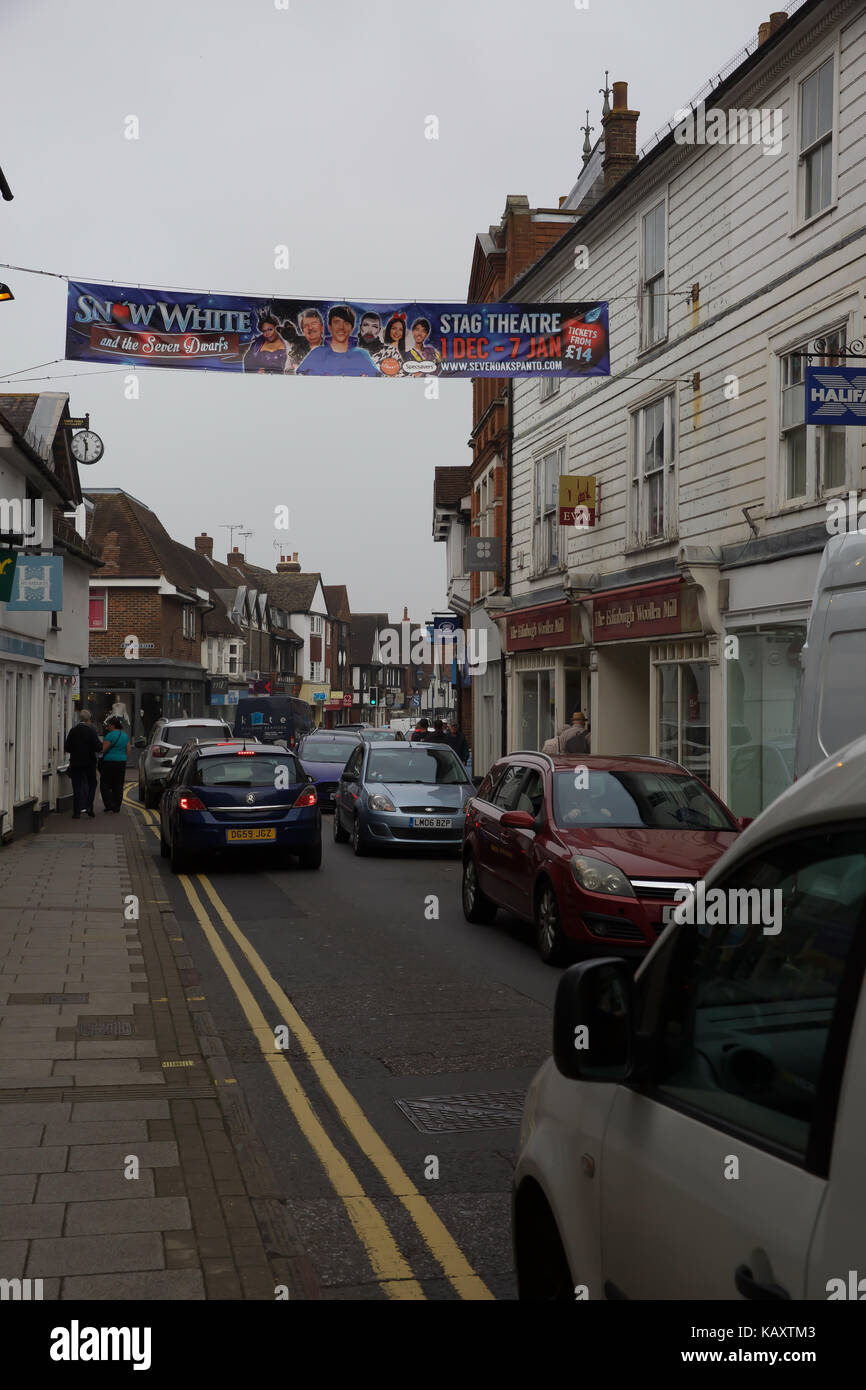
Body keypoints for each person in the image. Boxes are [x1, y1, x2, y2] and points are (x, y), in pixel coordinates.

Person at [296, 305, 379, 377]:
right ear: (330, 326)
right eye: (336, 322)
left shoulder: (361, 354)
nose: (341, 327)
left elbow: (376, 379)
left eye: (346, 323)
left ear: (352, 328)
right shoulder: (317, 353)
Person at [64, 708, 102, 819]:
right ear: (89, 719)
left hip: (75, 763)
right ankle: (89, 806)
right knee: (92, 784)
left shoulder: (73, 731)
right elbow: (98, 747)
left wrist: (76, 751)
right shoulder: (91, 731)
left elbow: (67, 747)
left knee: (76, 786)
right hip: (89, 763)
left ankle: (76, 812)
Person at [100, 715, 129, 813]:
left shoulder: (109, 735)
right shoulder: (125, 735)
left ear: (113, 725)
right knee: (118, 784)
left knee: (105, 784)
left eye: (108, 725)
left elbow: (103, 750)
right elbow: (128, 751)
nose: (107, 727)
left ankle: (109, 804)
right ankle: (117, 807)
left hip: (109, 762)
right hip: (121, 762)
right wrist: (123, 757)